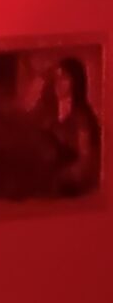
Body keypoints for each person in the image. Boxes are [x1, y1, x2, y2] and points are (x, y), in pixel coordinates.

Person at [48, 56, 102, 197]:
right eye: (56, 78)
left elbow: (85, 161)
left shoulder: (82, 117)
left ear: (75, 81)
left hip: (72, 187)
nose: (58, 83)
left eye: (64, 78)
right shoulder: (50, 113)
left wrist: (60, 177)